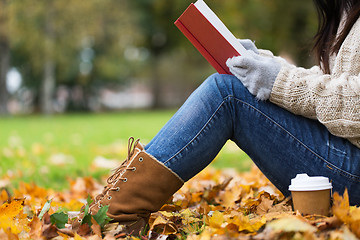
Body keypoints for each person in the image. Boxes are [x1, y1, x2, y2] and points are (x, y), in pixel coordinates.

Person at [73, 0, 360, 236]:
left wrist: (279, 80)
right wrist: (267, 64)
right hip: (345, 157)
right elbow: (335, 82)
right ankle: (117, 209)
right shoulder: (347, 12)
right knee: (227, 87)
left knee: (226, 94)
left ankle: (115, 215)